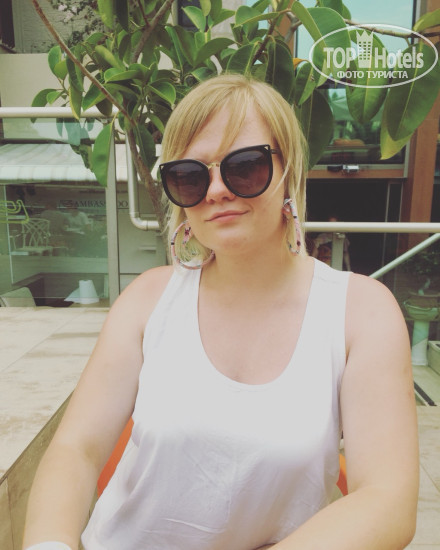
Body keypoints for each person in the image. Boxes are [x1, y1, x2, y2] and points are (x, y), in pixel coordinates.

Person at [23, 74, 418, 550]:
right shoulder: (147, 301)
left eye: (244, 167)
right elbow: (76, 449)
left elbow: (387, 498)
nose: (215, 191)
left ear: (288, 170)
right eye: (189, 176)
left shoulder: (360, 314)